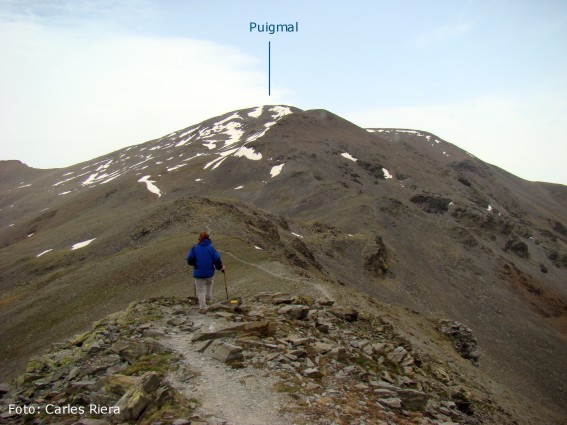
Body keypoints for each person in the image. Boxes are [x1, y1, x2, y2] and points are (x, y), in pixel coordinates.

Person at [186, 231, 225, 313]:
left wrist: (195, 264)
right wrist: (221, 267)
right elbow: (217, 259)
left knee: (200, 290)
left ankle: (203, 307)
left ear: (200, 238)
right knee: (209, 283)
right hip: (209, 272)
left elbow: (189, 260)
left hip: (198, 273)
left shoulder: (195, 248)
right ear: (208, 238)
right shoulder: (211, 248)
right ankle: (208, 298)